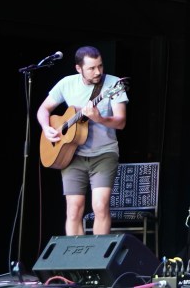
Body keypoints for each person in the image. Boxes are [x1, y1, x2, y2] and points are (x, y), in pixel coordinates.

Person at [37, 46, 128, 236]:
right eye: (91, 68)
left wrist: (99, 118)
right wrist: (46, 128)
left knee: (100, 206)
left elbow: (120, 122)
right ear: (78, 68)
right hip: (72, 154)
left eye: (100, 66)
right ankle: (75, 254)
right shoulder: (66, 83)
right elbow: (43, 109)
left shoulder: (113, 84)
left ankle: (98, 254)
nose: (98, 72)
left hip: (104, 153)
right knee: (74, 209)